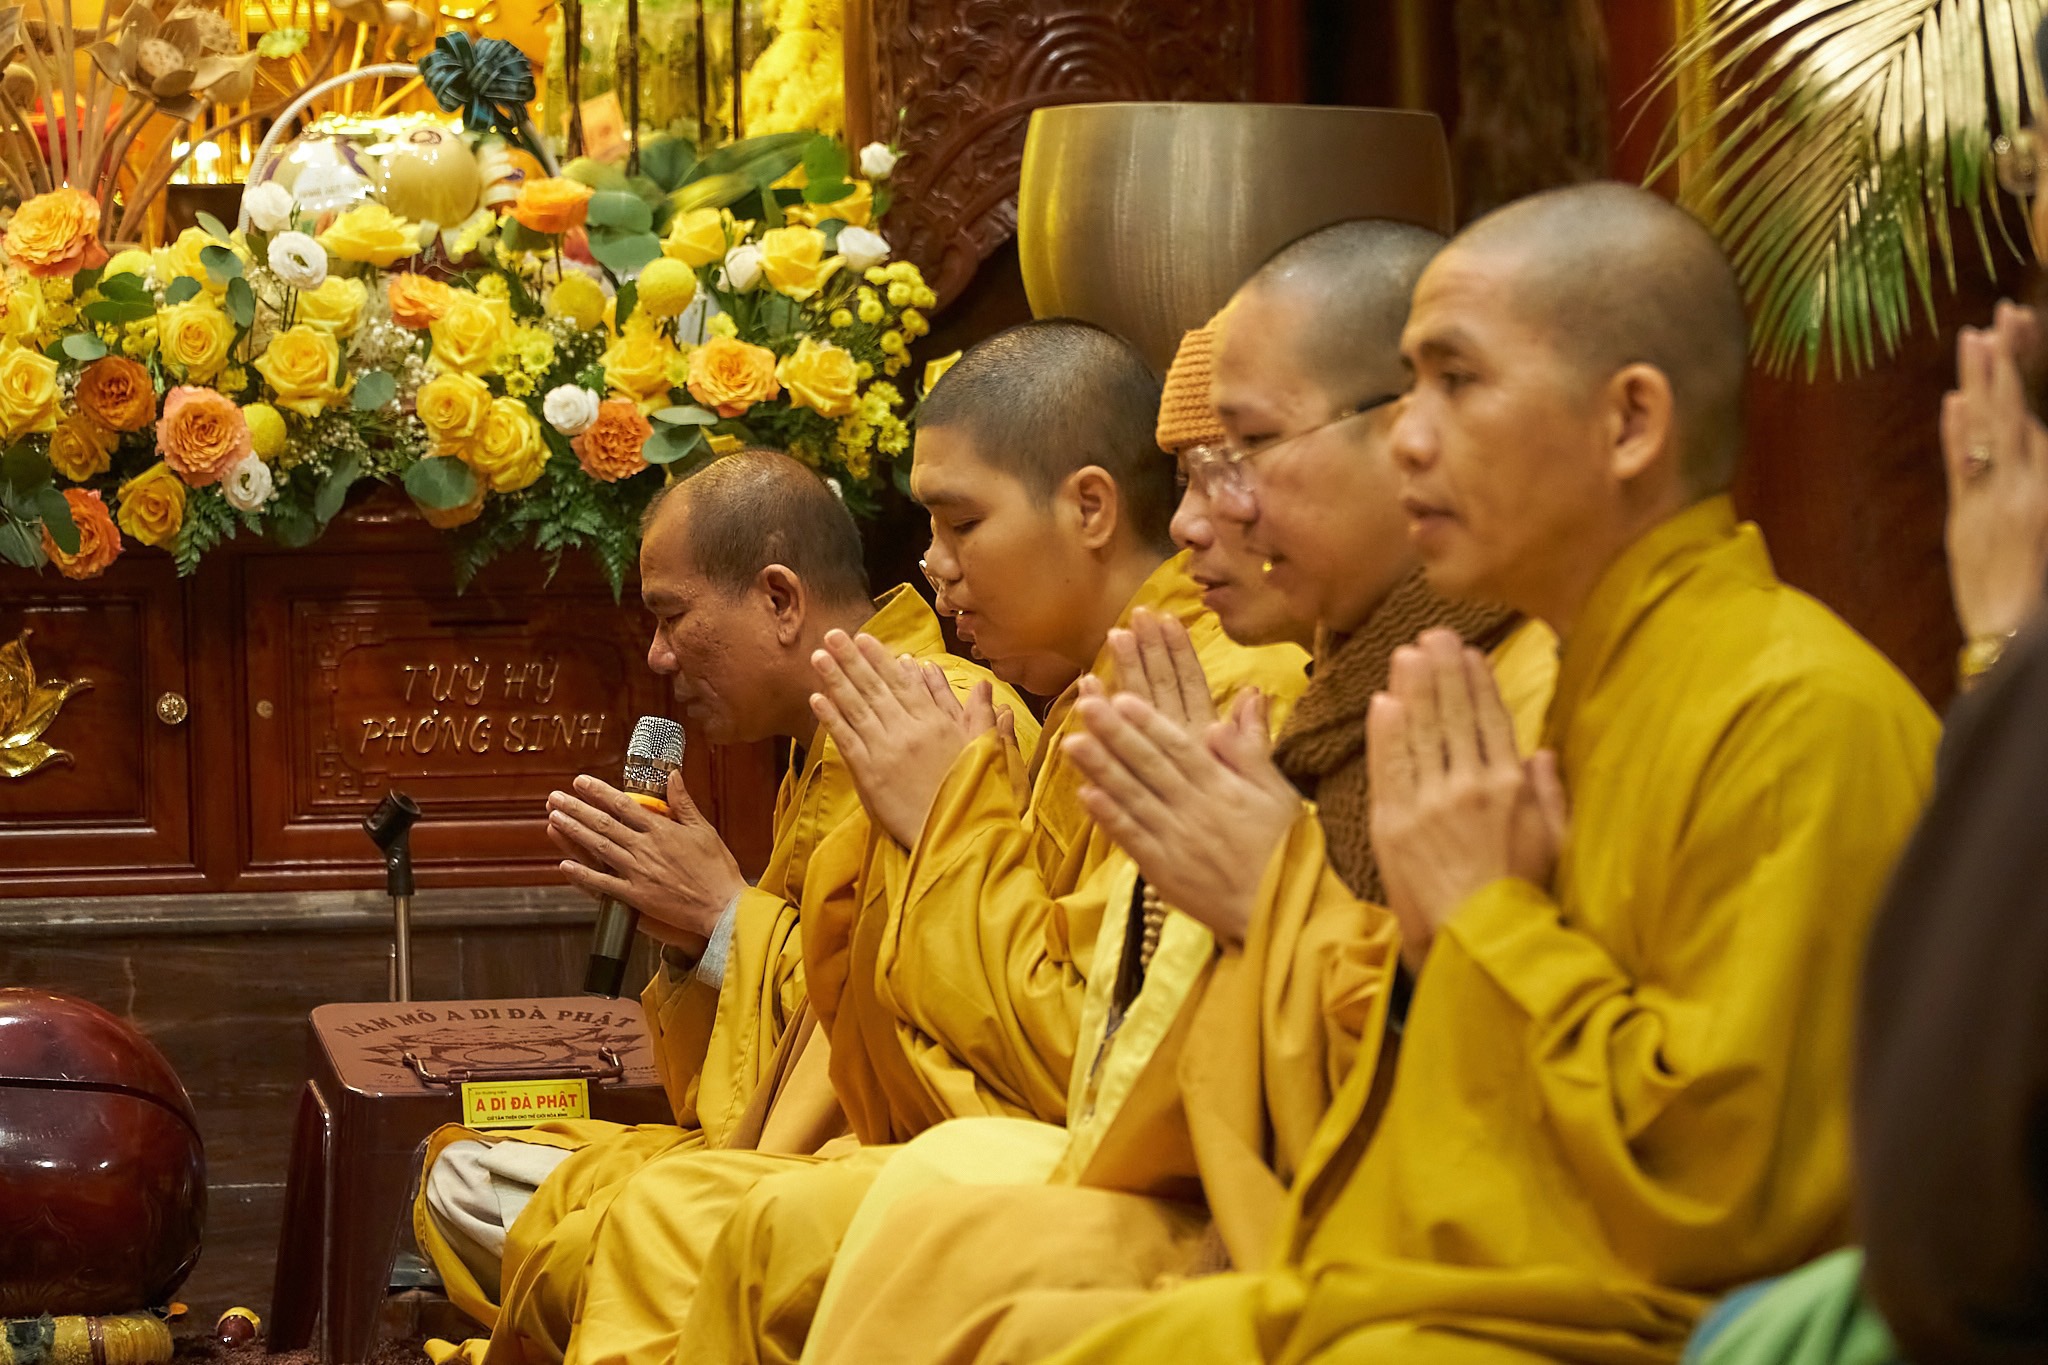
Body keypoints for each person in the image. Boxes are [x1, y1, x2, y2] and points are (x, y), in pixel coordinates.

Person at [1010, 180, 1940, 1365]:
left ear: (1628, 423)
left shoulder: (1791, 713)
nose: (1406, 436)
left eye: (1454, 382)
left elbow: (1719, 1201)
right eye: (1407, 386)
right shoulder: (1577, 687)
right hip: (1461, 1291)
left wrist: (1476, 918)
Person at [794, 220, 1560, 1365]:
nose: (1195, 519)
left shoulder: (1503, 692)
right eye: (1197, 472)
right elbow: (1134, 1060)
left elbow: (1568, 1124)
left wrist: (1265, 891)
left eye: (1242, 454)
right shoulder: (1334, 688)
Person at [610, 318, 1315, 1365]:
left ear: (1090, 507)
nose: (1195, 522)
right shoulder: (1087, 696)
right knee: (625, 1203)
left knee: (722, 1224)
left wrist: (942, 816)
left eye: (960, 522)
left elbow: (1090, 1059)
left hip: (1169, 1192)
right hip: (1038, 1147)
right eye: (1196, 481)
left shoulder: (1220, 691)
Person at [408, 447, 1036, 1365]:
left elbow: (916, 1029)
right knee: (465, 1169)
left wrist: (726, 920)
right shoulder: (825, 738)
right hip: (780, 1161)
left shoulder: (932, 721)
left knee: (535, 1206)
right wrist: (687, 938)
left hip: (887, 1174)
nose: (658, 656)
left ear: (780, 599)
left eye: (672, 616)